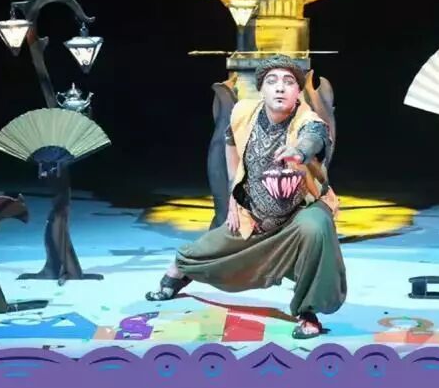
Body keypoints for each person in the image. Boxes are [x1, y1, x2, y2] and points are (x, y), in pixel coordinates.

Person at [144, 54, 346, 339]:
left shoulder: (308, 120)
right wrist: (234, 196)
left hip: (300, 212)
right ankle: (178, 273)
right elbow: (230, 141)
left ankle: (307, 310)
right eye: (272, 81)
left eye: (288, 82)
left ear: (298, 91)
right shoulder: (243, 113)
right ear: (261, 89)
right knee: (206, 250)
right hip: (255, 213)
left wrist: (299, 152)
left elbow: (314, 138)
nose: (280, 87)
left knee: (315, 227)